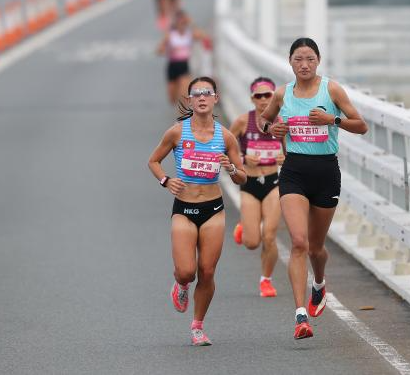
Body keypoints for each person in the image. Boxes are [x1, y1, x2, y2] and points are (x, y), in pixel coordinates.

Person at [259, 37, 368, 339]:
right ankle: (300, 316)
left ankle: (318, 283)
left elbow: (361, 125)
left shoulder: (331, 90)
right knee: (298, 242)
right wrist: (272, 128)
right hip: (294, 171)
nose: (304, 64)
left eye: (310, 59)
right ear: (290, 62)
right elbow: (264, 120)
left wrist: (332, 119)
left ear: (318, 61)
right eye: (298, 59)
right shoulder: (282, 93)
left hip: (325, 173)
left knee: (316, 249)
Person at [147, 76, 246, 346]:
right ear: (190, 100)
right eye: (197, 94)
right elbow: (153, 161)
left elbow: (242, 177)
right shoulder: (177, 132)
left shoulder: (225, 136)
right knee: (186, 271)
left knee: (207, 271)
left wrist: (231, 168)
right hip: (184, 208)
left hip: (213, 209)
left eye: (207, 93)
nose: (202, 97)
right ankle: (181, 285)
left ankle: (198, 326)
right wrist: (166, 180)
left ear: (216, 99)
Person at [229, 76, 284, 298]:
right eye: (258, 96)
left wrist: (286, 158)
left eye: (267, 95)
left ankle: (266, 281)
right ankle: (245, 227)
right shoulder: (243, 122)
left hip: (273, 183)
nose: (263, 100)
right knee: (252, 242)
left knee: (269, 236)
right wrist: (242, 158)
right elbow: (224, 148)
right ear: (252, 98)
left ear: (274, 97)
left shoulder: (282, 122)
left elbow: (295, 150)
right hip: (249, 184)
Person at [156, 10, 212, 106]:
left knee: (184, 95)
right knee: (172, 99)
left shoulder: (189, 34)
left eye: (184, 22)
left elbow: (204, 36)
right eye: (180, 21)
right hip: (172, 66)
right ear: (176, 23)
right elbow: (159, 50)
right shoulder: (170, 35)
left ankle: (183, 112)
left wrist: (192, 23)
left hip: (184, 66)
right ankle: (179, 105)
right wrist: (164, 49)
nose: (182, 24)